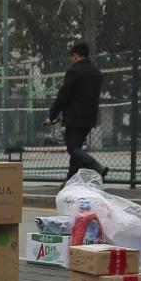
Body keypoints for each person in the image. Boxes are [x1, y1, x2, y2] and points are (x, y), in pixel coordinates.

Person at [46, 41, 105, 179]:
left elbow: (63, 95)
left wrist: (52, 115)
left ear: (75, 56)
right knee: (76, 149)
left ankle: (95, 165)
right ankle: (70, 181)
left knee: (72, 148)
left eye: (72, 57)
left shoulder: (74, 71)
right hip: (90, 117)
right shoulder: (96, 73)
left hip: (74, 117)